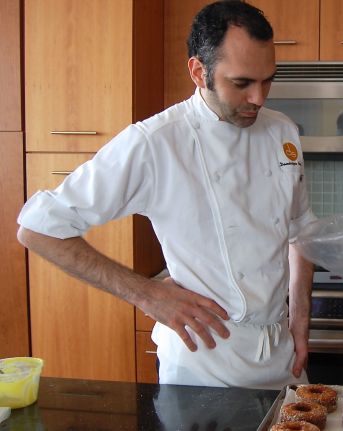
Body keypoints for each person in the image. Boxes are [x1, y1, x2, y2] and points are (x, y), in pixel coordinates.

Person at [16, 1, 316, 389]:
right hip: (203, 366)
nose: (259, 98)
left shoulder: (283, 132)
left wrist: (300, 321)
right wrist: (146, 293)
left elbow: (300, 230)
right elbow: (38, 227)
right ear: (198, 71)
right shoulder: (156, 143)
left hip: (282, 361)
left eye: (268, 80)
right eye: (242, 83)